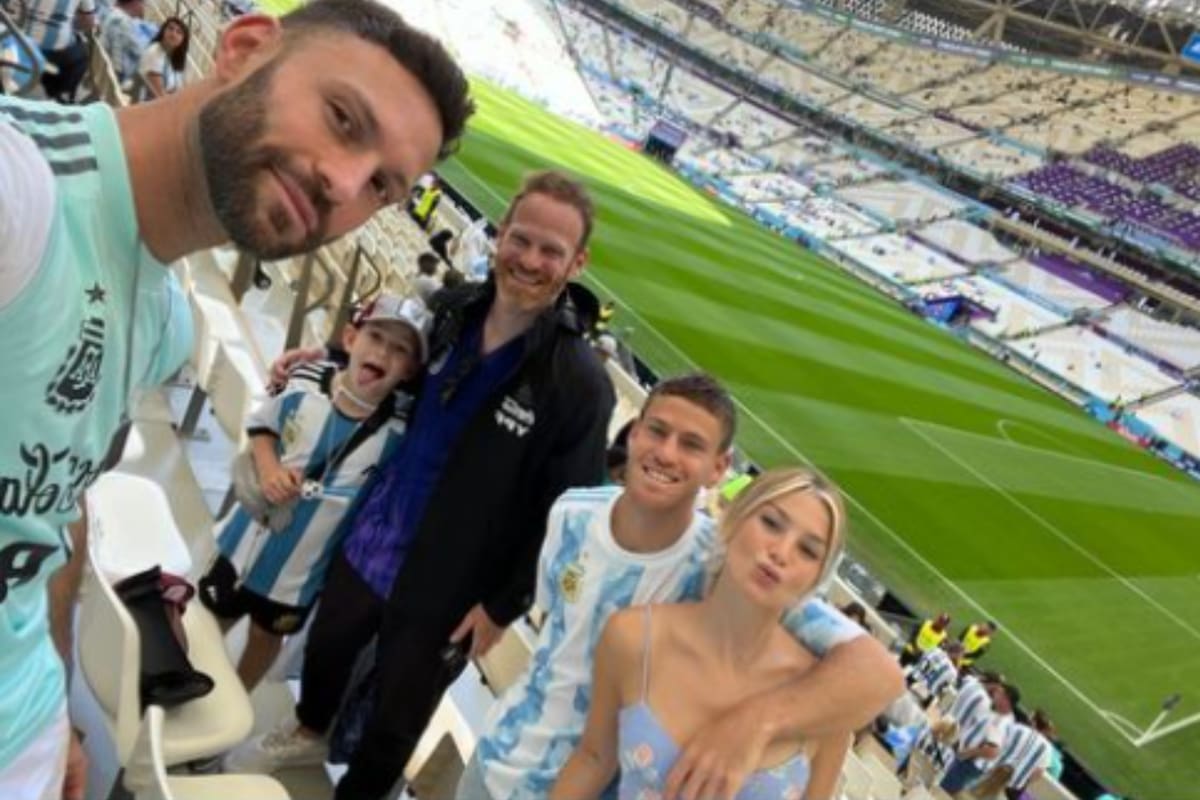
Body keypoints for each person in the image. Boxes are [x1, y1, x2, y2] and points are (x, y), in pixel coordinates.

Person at [0, 1, 471, 796]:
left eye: (382, 189)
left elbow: (54, 514)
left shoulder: (162, 320)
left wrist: (55, 716)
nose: (343, 183)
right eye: (343, 118)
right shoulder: (23, 193)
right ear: (245, 48)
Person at [233, 170, 617, 800]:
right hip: (373, 530)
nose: (531, 260)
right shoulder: (452, 309)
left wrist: (502, 605)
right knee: (327, 649)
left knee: (397, 715)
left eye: (552, 250)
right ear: (500, 238)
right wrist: (327, 361)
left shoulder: (579, 383)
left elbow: (566, 514)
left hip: (453, 582)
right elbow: (388, 357)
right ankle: (308, 730)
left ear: (578, 262)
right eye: (521, 239)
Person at [458, 376, 903, 800]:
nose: (667, 453)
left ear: (719, 467)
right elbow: (554, 636)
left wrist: (756, 722)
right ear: (633, 435)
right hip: (499, 761)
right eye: (657, 431)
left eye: (691, 444)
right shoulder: (572, 514)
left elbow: (878, 674)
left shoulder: (730, 563)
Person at [551, 465, 854, 800]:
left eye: (808, 550)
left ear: (816, 578)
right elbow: (593, 759)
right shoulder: (634, 638)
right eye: (770, 523)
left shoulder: (826, 705)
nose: (781, 553)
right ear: (736, 520)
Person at [198, 294, 427, 690]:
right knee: (210, 621)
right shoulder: (306, 381)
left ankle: (237, 696)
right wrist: (269, 467)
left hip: (298, 575)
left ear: (409, 370)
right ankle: (188, 683)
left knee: (266, 636)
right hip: (242, 543)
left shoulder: (400, 432)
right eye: (375, 337)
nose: (384, 354)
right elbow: (262, 426)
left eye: (400, 350)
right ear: (351, 339)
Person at [941, 681, 1018, 796]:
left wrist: (967, 753)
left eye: (999, 693)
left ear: (1006, 700)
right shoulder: (1000, 715)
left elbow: (992, 751)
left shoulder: (1001, 722)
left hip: (969, 763)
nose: (995, 694)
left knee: (943, 792)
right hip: (968, 761)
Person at [23, 0, 95, 102]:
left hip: (13, 39)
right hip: (52, 51)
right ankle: (56, 93)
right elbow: (88, 21)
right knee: (81, 57)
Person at [136, 15, 189, 101]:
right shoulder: (154, 52)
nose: (173, 33)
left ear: (183, 40)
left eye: (179, 32)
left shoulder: (171, 58)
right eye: (170, 28)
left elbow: (178, 89)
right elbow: (159, 95)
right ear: (163, 31)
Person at [99, 0, 146, 86]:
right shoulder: (122, 22)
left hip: (106, 70)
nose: (144, 8)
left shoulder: (111, 12)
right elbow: (140, 53)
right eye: (143, 4)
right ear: (135, 3)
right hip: (116, 77)